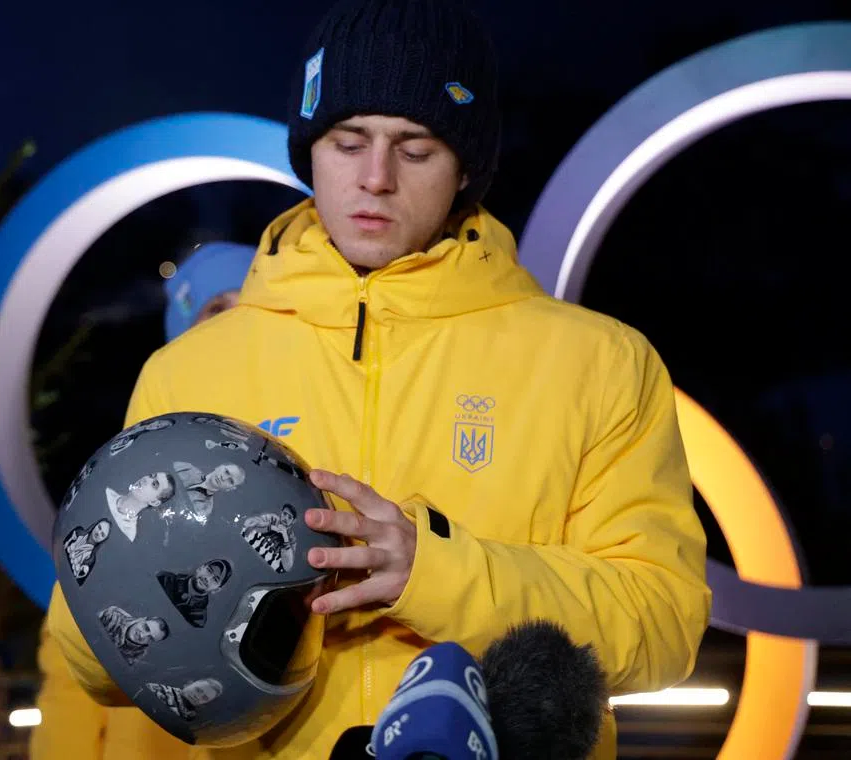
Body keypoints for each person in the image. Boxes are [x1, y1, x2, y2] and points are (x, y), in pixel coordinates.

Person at [46, 0, 712, 756]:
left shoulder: (600, 364)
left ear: (466, 165)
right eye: (347, 140)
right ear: (310, 150)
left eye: (416, 148)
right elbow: (85, 647)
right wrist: (154, 590)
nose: (375, 178)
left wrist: (434, 573)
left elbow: (662, 625)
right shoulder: (190, 369)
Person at [29, 241, 255, 760]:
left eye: (249, 308)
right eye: (216, 309)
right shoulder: (136, 475)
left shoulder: (283, 469)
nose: (233, 326)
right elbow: (71, 672)